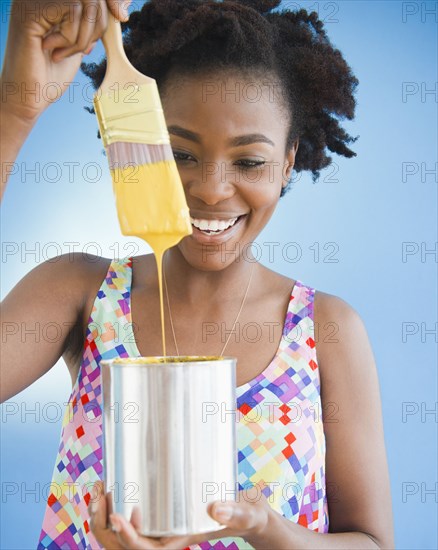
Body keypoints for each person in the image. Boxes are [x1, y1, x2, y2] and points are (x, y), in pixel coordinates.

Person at [1, 0, 395, 548]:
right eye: (179, 153)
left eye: (250, 161)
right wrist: (14, 113)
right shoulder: (82, 295)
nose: (211, 188)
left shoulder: (324, 329)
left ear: (287, 162)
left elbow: (373, 543)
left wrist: (268, 530)